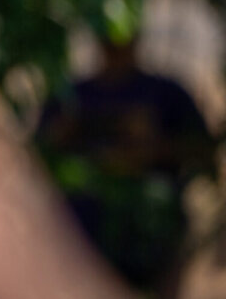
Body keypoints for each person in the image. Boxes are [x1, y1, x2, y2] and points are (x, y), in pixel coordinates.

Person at [35, 34, 216, 297]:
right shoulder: (71, 96)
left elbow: (204, 151)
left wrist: (151, 149)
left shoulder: (166, 94)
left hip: (151, 239)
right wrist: (64, 134)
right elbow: (32, 156)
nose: (115, 45)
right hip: (80, 242)